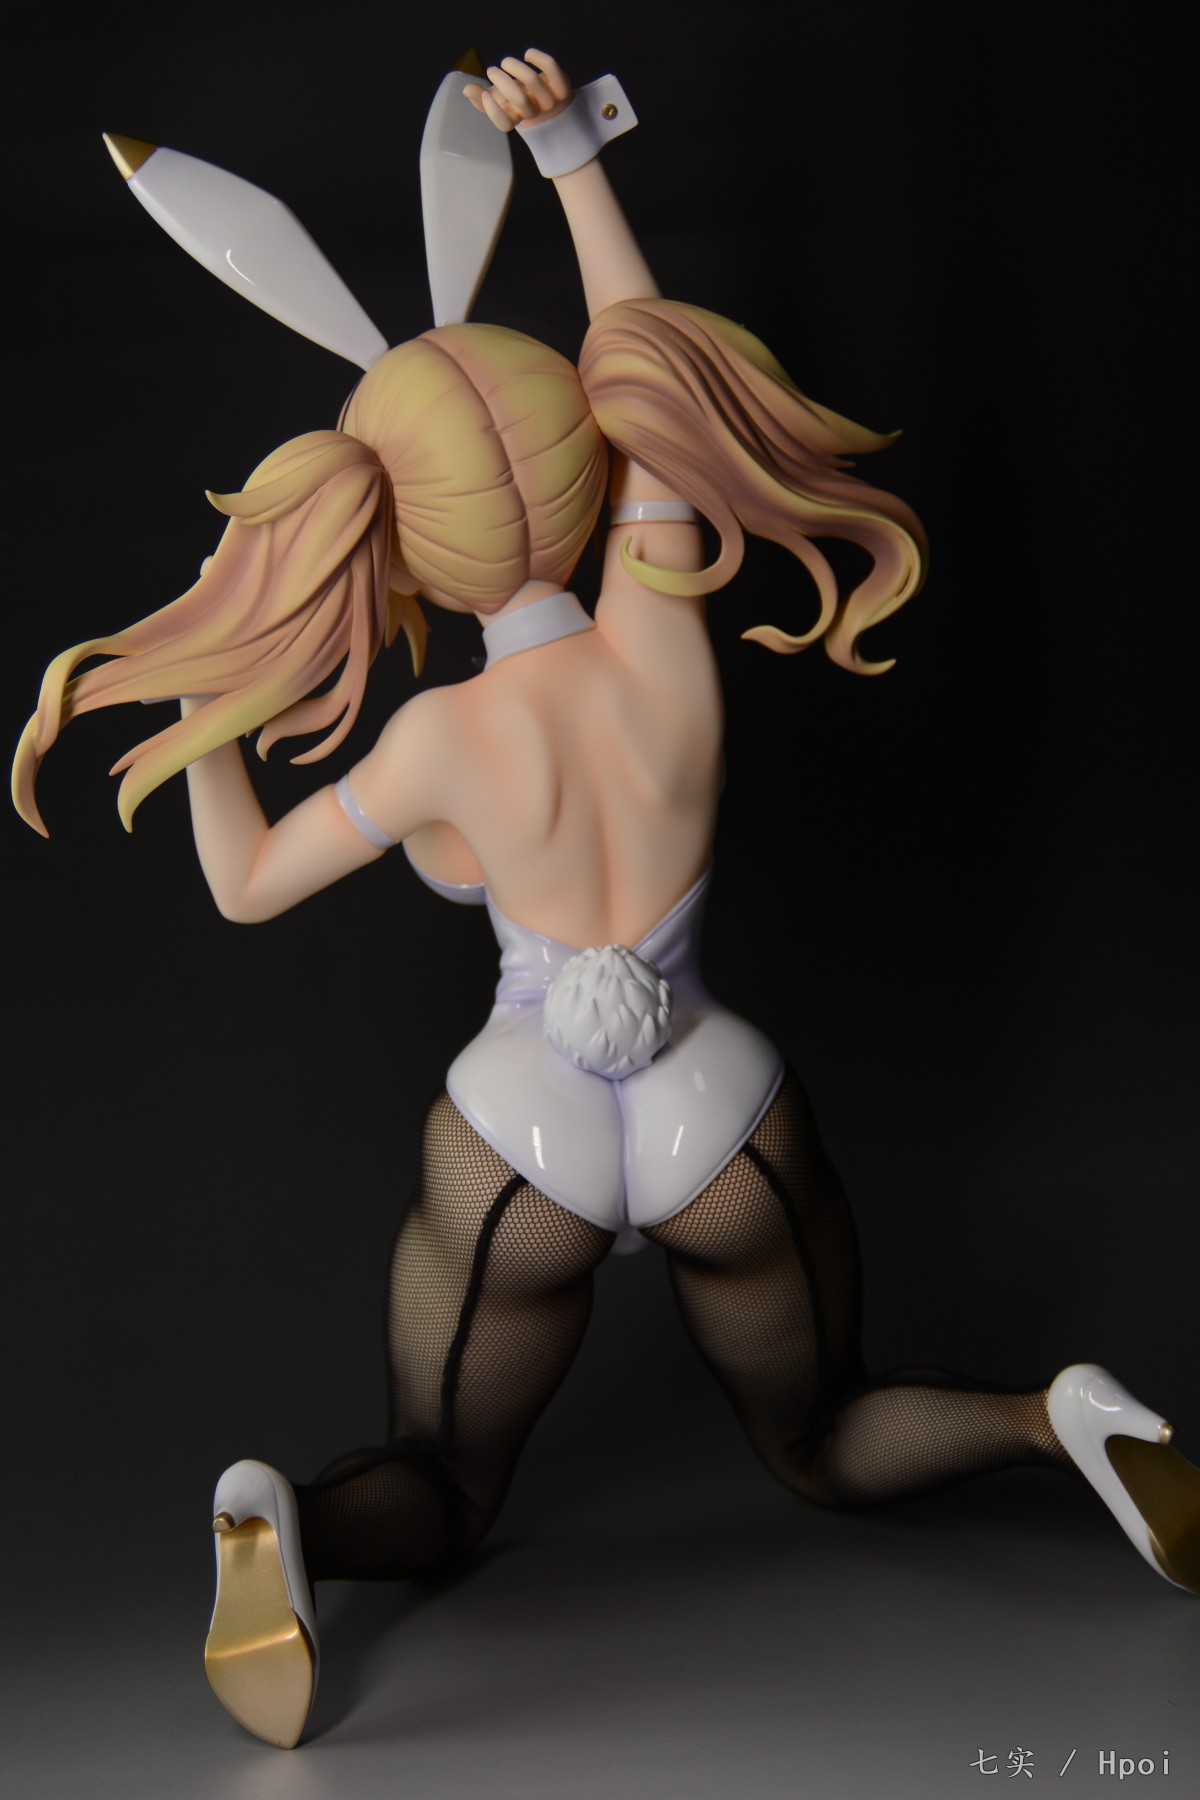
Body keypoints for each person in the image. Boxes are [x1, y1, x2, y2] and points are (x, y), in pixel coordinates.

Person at [12, 48, 1197, 1752]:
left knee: (445, 1482)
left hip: (525, 1133)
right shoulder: (664, 638)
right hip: (724, 1104)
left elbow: (247, 885)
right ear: (588, 462)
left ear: (396, 538)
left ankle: (288, 1514)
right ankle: (1053, 1418)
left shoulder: (437, 743)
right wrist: (569, 153)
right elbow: (648, 360)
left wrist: (211, 692)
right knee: (822, 1435)